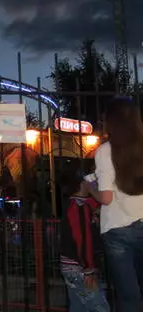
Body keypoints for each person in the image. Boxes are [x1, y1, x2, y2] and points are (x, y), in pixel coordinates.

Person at [87, 98, 143, 311]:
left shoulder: (105, 151)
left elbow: (106, 198)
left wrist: (91, 187)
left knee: (129, 297)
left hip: (118, 230)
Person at [59, 169, 109, 312]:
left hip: (73, 265)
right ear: (81, 184)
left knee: (78, 307)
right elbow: (82, 239)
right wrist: (88, 268)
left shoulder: (77, 204)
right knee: (99, 307)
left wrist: (92, 191)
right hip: (79, 267)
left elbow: (102, 203)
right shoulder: (78, 206)